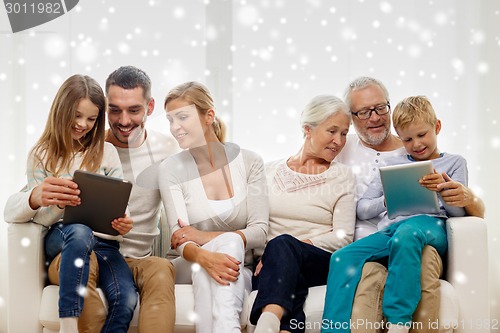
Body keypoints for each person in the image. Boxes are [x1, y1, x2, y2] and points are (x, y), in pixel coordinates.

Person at [4, 66, 179, 332]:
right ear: (106, 110)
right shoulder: (57, 151)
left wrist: (125, 223)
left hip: (117, 251)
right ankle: (69, 322)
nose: (123, 120)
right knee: (81, 237)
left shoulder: (160, 149)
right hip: (72, 246)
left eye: (133, 110)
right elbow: (16, 208)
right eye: (115, 110)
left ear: (150, 107)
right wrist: (37, 197)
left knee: (153, 275)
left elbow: (181, 196)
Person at [334, 77, 485, 333]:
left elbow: (457, 214)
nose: (416, 144)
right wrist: (387, 198)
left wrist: (446, 193)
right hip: (391, 229)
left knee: (407, 233)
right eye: (407, 140)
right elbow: (362, 208)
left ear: (437, 127)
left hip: (429, 227)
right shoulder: (391, 164)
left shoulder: (455, 163)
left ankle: (399, 321)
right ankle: (333, 329)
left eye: (422, 135)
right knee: (342, 257)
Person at [159, 81, 268, 333]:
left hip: (237, 265)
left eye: (182, 117)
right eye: (170, 120)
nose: (175, 128)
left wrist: (204, 238)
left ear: (209, 116)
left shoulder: (250, 161)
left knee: (213, 267)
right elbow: (180, 239)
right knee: (211, 258)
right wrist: (204, 255)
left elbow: (260, 231)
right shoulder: (170, 168)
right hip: (187, 261)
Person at [249, 95, 356, 333]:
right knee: (286, 268)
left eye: (344, 133)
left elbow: (343, 237)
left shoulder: (342, 176)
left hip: (319, 262)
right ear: (308, 129)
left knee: (283, 243)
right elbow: (253, 223)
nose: (339, 141)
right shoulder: (267, 171)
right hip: (270, 266)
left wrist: (290, 248)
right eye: (332, 131)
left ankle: (265, 325)